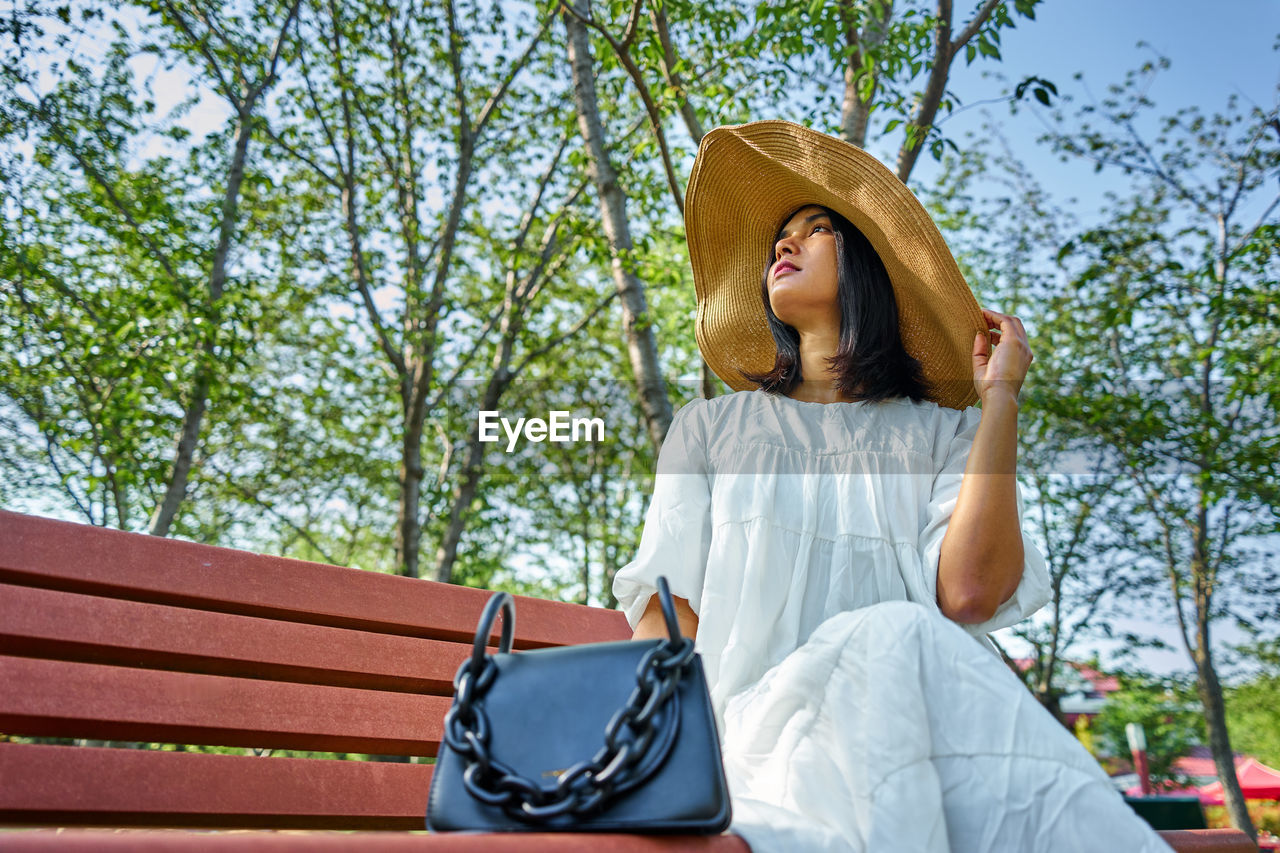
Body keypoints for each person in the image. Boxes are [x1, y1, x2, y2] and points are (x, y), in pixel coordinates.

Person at [611, 120, 1173, 853]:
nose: (784, 244)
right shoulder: (712, 431)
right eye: (781, 235)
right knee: (895, 632)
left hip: (917, 733)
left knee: (902, 642)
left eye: (815, 231)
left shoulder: (942, 437)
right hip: (749, 741)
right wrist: (676, 766)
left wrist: (999, 397)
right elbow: (664, 612)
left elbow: (970, 593)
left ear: (871, 268)